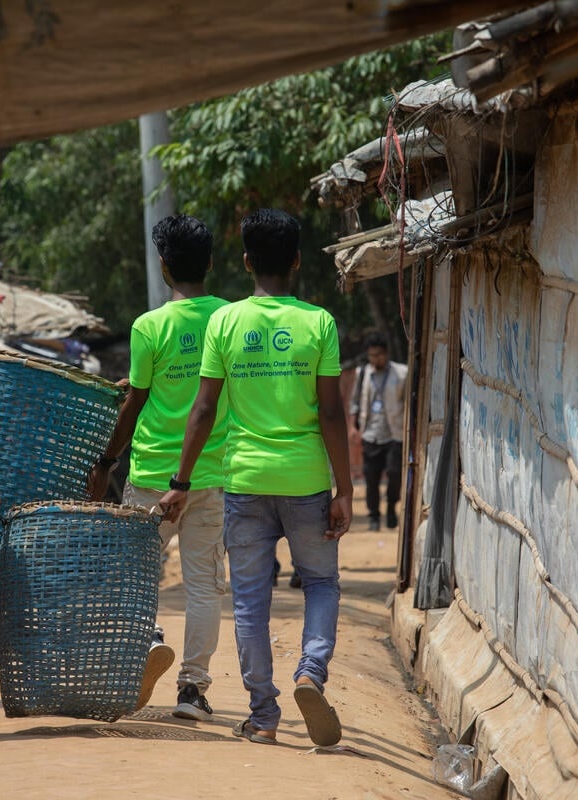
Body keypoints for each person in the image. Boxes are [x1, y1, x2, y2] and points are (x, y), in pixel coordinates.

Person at [161, 209, 353, 747]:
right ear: (295, 260)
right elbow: (333, 413)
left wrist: (180, 479)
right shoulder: (319, 323)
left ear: (246, 262)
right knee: (320, 582)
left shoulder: (225, 322)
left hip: (243, 481)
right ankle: (311, 673)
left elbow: (202, 410)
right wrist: (346, 488)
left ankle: (264, 716)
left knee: (250, 599)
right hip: (307, 481)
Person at [88, 214, 228, 721]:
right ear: (210, 263)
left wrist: (107, 461)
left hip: (148, 475)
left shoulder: (149, 326)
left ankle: (146, 640)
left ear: (164, 266)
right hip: (209, 476)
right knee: (204, 585)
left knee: (136, 576)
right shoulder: (229, 319)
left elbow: (135, 403)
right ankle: (192, 690)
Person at [349, 333, 407, 531]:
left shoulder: (401, 374)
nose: (375, 359)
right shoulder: (363, 373)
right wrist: (353, 427)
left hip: (394, 434)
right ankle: (374, 515)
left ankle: (391, 506)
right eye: (372, 355)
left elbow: (409, 403)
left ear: (386, 353)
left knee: (394, 474)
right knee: (371, 478)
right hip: (370, 434)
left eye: (379, 355)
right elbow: (355, 402)